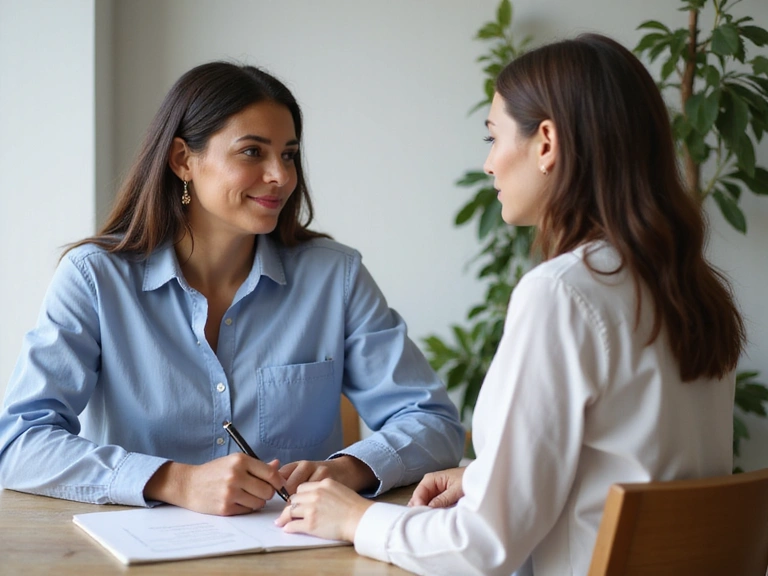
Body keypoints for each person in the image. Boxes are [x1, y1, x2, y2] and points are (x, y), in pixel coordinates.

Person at [274, 33, 746, 575]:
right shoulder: (690, 288)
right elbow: (629, 464)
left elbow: (483, 549)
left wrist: (356, 518)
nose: (489, 164)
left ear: (546, 142)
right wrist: (483, 476)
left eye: (493, 136)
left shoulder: (563, 293)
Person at [0, 62, 464, 515]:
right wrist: (175, 480)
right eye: (252, 152)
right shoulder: (94, 279)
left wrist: (348, 469)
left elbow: (434, 423)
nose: (280, 176)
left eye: (288, 154)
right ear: (183, 159)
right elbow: (19, 443)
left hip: (298, 554)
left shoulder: (334, 277)